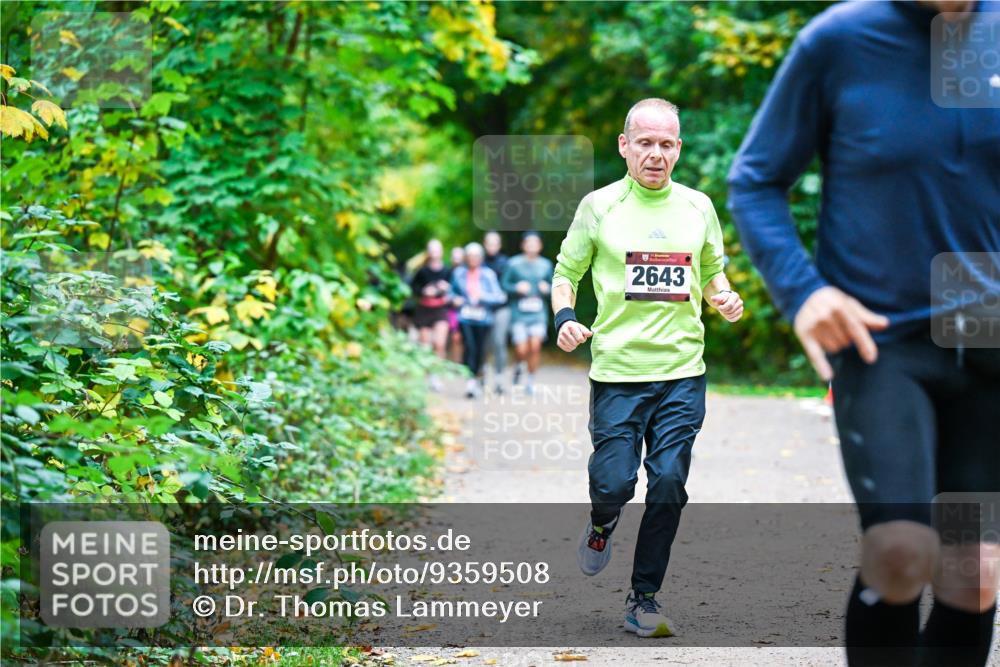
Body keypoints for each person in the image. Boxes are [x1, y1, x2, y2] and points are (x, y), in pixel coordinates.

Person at [727, 1, 999, 665]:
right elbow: (756, 179)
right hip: (882, 344)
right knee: (902, 549)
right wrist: (804, 291)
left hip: (989, 351)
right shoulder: (840, 40)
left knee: (975, 569)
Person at [552, 98, 744, 638]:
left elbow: (711, 274)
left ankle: (645, 598)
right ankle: (601, 521)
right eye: (645, 143)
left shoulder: (698, 207)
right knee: (613, 482)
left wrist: (724, 299)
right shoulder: (599, 206)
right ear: (624, 146)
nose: (655, 154)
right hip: (617, 371)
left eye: (666, 144)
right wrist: (566, 317)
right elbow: (566, 272)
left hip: (683, 370)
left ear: (678, 148)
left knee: (668, 482)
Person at [451, 242, 507, 399]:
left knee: (481, 350)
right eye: (470, 256)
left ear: (480, 258)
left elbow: (498, 296)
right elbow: (451, 293)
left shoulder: (488, 274)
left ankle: (478, 378)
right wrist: (456, 299)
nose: (473, 259)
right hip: (466, 317)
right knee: (469, 347)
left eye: (476, 256)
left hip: (484, 318)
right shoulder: (459, 273)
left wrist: (482, 297)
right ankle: (470, 382)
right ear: (466, 258)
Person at [501, 232, 554, 395]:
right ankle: (519, 365)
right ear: (523, 245)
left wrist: (548, 289)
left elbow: (556, 287)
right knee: (521, 349)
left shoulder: (546, 265)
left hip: (538, 313)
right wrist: (515, 288)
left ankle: (530, 381)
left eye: (535, 243)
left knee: (535, 347)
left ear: (540, 246)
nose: (531, 246)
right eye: (528, 243)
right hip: (519, 313)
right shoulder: (513, 263)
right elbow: (503, 284)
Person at [410, 239, 452, 391]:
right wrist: (424, 291)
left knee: (439, 343)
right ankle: (427, 376)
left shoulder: (448, 271)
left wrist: (446, 289)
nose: (434, 253)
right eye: (432, 250)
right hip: (424, 310)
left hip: (440, 309)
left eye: (437, 250)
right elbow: (413, 288)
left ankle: (437, 375)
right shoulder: (421, 271)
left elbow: (455, 290)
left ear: (441, 252)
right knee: (425, 345)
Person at [484, 231, 512, 394]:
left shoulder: (506, 263)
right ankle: (482, 376)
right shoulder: (479, 262)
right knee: (484, 344)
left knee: (499, 342)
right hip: (483, 309)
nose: (492, 246)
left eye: (495, 243)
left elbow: (509, 284)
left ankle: (500, 378)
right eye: (489, 243)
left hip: (502, 308)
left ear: (499, 245)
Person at [446, 246, 466, 364]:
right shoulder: (447, 272)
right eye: (455, 257)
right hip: (452, 310)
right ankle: (456, 362)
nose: (457, 260)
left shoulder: (468, 272)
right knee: (455, 337)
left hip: (467, 310)